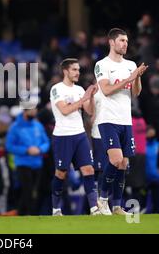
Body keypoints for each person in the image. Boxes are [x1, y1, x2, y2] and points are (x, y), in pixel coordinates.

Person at [94, 28, 148, 215]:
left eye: (127, 41)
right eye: (122, 40)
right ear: (111, 42)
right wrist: (131, 77)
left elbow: (135, 92)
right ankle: (102, 200)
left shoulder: (131, 64)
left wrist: (137, 78)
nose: (126, 44)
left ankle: (117, 206)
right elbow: (106, 90)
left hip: (126, 120)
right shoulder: (102, 65)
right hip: (108, 119)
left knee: (124, 163)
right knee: (115, 160)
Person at [49, 58, 101, 216]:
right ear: (66, 71)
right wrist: (84, 98)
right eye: (74, 70)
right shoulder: (56, 89)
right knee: (61, 173)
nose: (78, 72)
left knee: (88, 169)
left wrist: (91, 96)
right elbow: (64, 110)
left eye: (78, 70)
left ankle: (94, 208)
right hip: (63, 135)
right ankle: (56, 209)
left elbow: (90, 111)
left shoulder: (79, 90)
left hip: (79, 134)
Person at [6, 106, 50, 215]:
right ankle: (32, 214)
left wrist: (39, 149)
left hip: (37, 163)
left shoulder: (38, 126)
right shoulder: (15, 127)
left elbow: (46, 142)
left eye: (35, 110)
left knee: (34, 191)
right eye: (32, 110)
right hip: (23, 163)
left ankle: (22, 213)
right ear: (25, 111)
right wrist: (26, 150)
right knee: (28, 190)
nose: (34, 112)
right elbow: (9, 146)